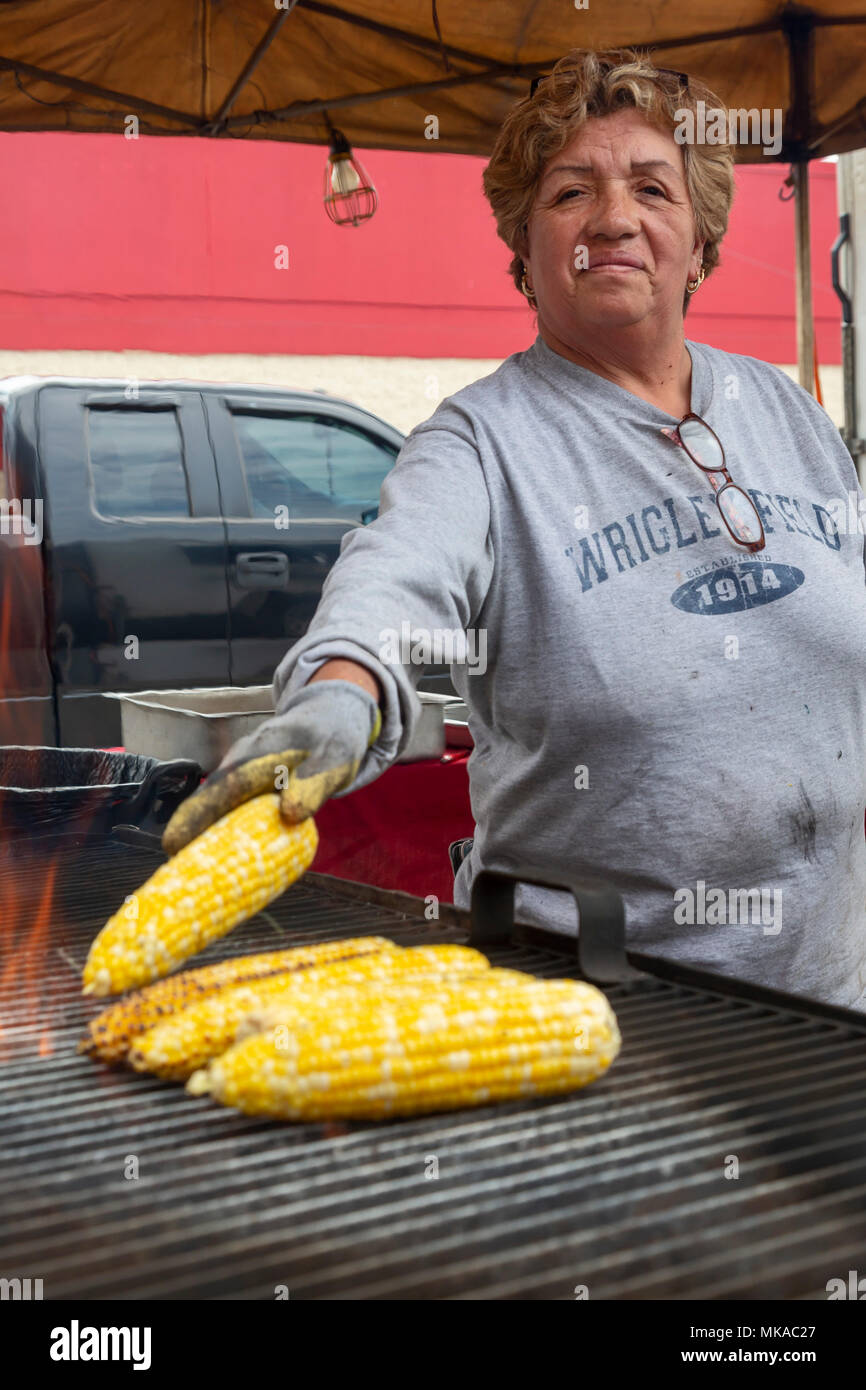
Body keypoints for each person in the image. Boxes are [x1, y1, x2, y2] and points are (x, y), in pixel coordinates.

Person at [166, 48, 866, 1010]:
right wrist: (340, 691)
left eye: (652, 189)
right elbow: (395, 578)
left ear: (700, 240)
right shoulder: (481, 442)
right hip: (597, 998)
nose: (615, 219)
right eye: (572, 192)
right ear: (523, 253)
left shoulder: (782, 413)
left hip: (831, 993)